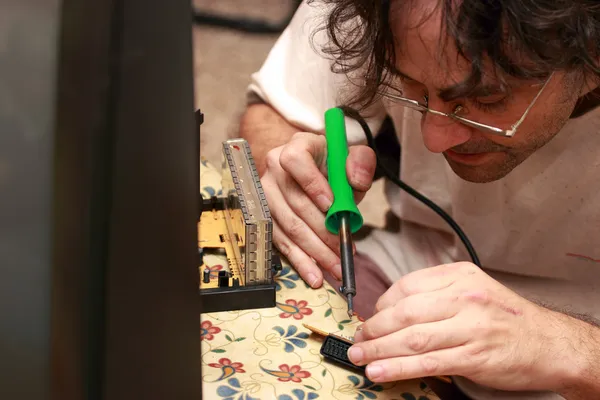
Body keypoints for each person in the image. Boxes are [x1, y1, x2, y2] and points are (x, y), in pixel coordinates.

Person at [239, 0, 600, 398]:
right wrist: (295, 171)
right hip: (410, 269)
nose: (434, 139)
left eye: (487, 99)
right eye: (411, 87)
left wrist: (569, 348)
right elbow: (279, 110)